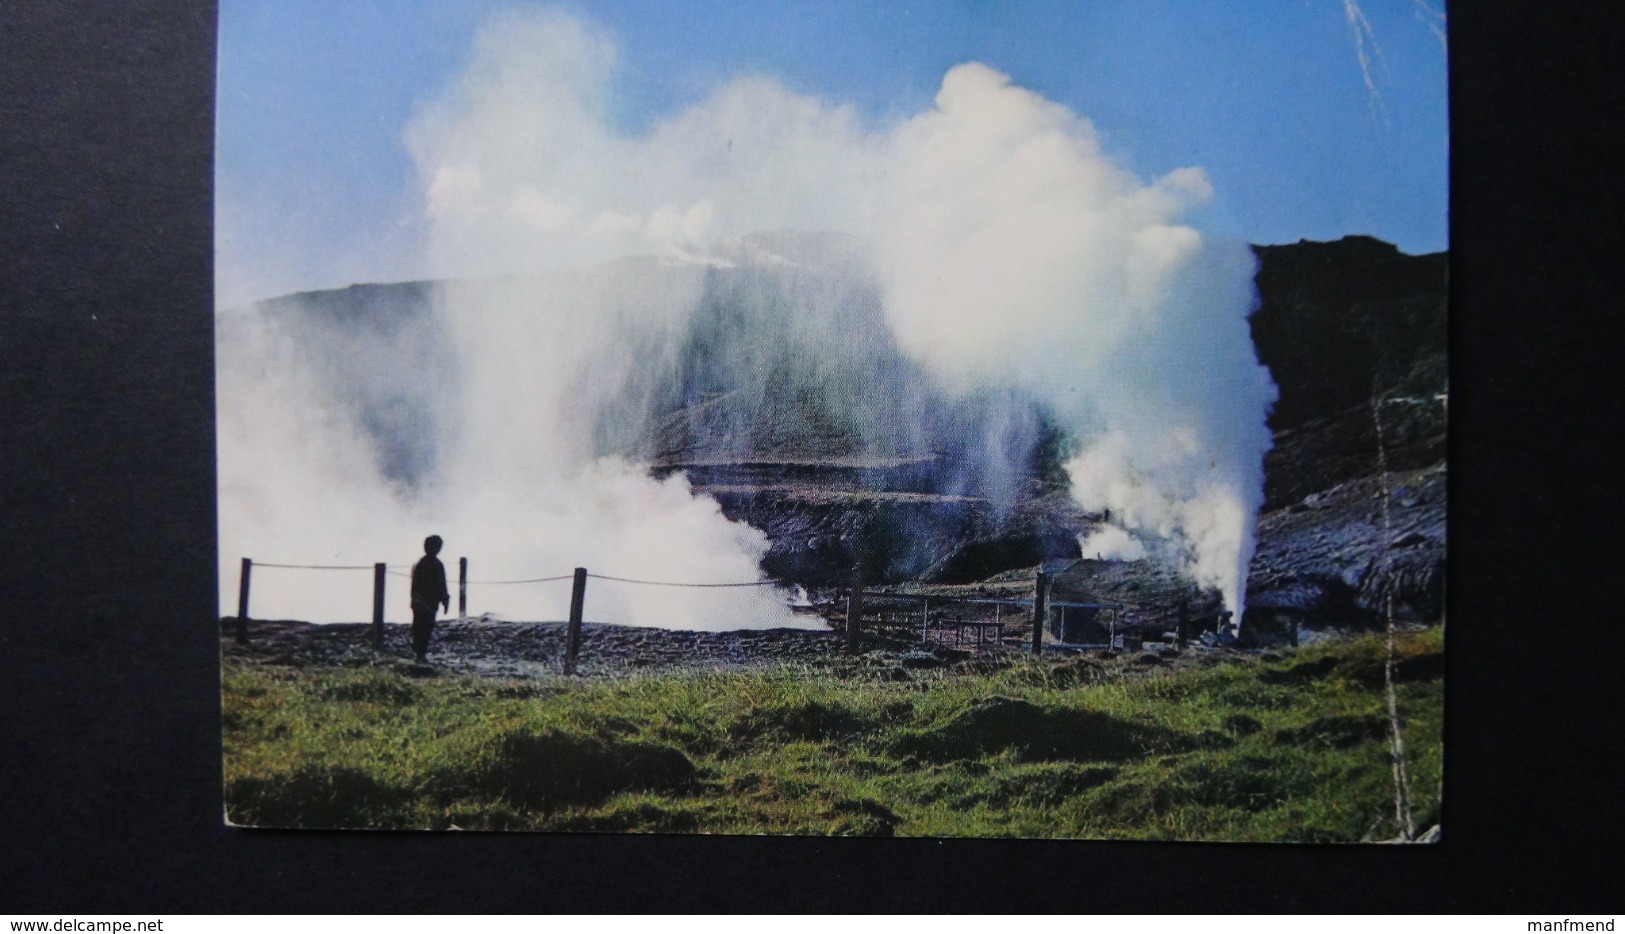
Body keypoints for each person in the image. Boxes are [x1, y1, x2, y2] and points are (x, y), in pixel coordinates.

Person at [410, 535, 450, 663]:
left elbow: (414, 585)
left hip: (421, 601)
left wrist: (414, 599)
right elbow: (442, 585)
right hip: (428, 602)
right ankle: (420, 654)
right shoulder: (436, 565)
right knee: (425, 628)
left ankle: (419, 653)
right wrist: (445, 600)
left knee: (419, 627)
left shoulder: (419, 564)